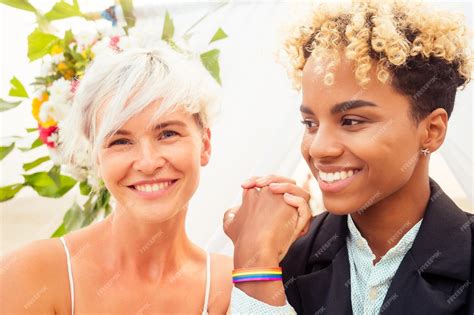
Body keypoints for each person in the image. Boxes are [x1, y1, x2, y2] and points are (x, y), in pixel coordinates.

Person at [225, 0, 474, 314]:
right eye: (310, 124)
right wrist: (256, 262)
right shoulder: (280, 257)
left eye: (352, 121)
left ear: (432, 131)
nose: (318, 149)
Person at [0, 45, 233, 314]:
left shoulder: (229, 284)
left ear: (204, 144)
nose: (147, 162)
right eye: (120, 141)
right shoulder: (33, 275)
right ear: (97, 158)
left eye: (167, 134)